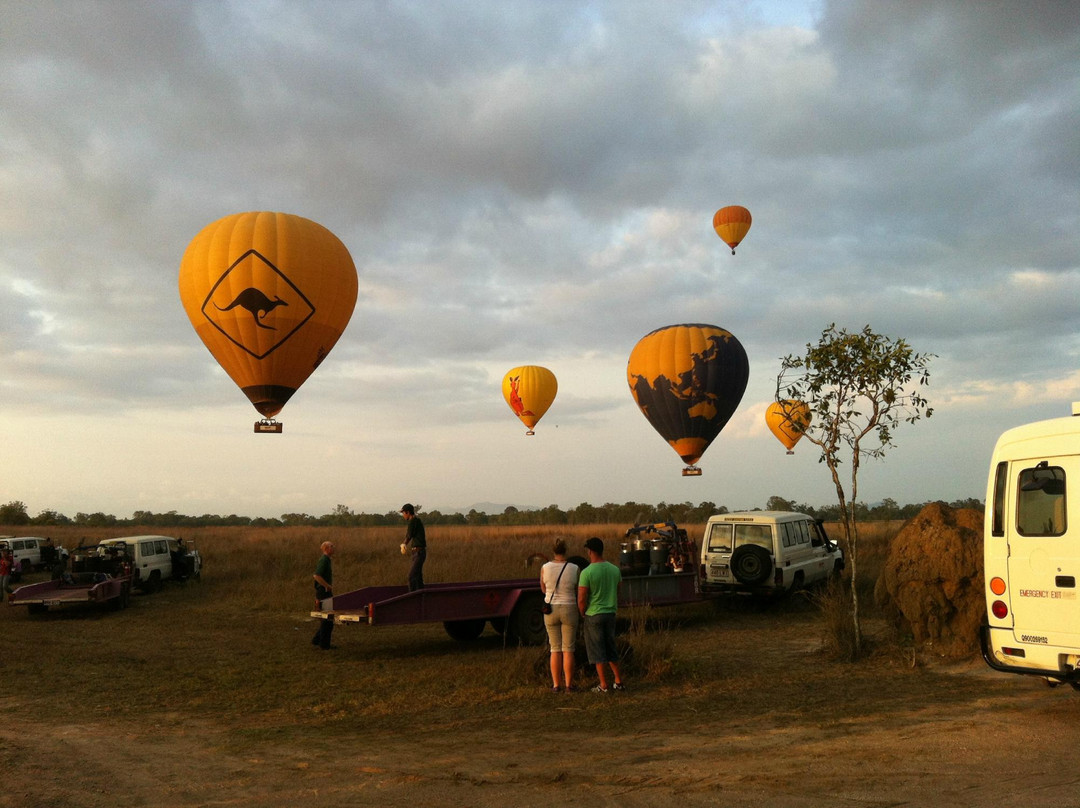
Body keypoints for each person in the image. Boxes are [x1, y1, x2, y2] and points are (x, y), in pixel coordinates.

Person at [577, 536, 624, 693]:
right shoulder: (614, 569)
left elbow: (582, 598)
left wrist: (582, 612)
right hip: (610, 613)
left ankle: (603, 684)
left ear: (590, 551)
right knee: (611, 648)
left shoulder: (586, 572)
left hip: (594, 614)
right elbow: (618, 590)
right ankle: (618, 681)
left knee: (598, 651)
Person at [540, 538, 580, 693]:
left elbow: (543, 588)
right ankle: (569, 685)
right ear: (566, 550)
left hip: (550, 609)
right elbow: (577, 588)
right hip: (569, 607)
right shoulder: (574, 568)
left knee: (555, 648)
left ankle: (556, 685)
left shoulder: (545, 567)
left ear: (553, 551)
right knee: (568, 649)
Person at [311, 540, 336, 650]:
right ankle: (324, 645)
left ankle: (317, 640)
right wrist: (327, 586)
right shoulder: (324, 560)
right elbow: (316, 576)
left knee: (326, 618)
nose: (333, 548)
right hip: (323, 592)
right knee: (328, 618)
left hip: (325, 591)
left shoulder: (327, 560)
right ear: (326, 548)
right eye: (331, 546)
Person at [400, 503, 426, 591]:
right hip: (416, 552)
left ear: (408, 512)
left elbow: (409, 536)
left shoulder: (413, 521)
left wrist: (404, 545)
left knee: (412, 576)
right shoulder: (416, 521)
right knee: (418, 577)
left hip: (419, 552)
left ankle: (412, 596)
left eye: (403, 513)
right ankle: (421, 595)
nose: (403, 515)